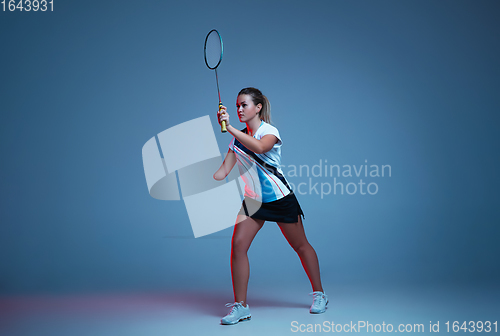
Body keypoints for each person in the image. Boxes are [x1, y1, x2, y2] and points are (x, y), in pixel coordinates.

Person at [214, 87, 328, 325]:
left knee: (301, 246)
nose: (239, 109)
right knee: (238, 246)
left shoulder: (269, 131)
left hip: (280, 198)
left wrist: (230, 128)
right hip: (254, 201)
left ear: (258, 107)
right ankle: (241, 306)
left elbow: (260, 148)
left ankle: (320, 294)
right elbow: (222, 172)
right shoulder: (237, 139)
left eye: (244, 105)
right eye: (236, 106)